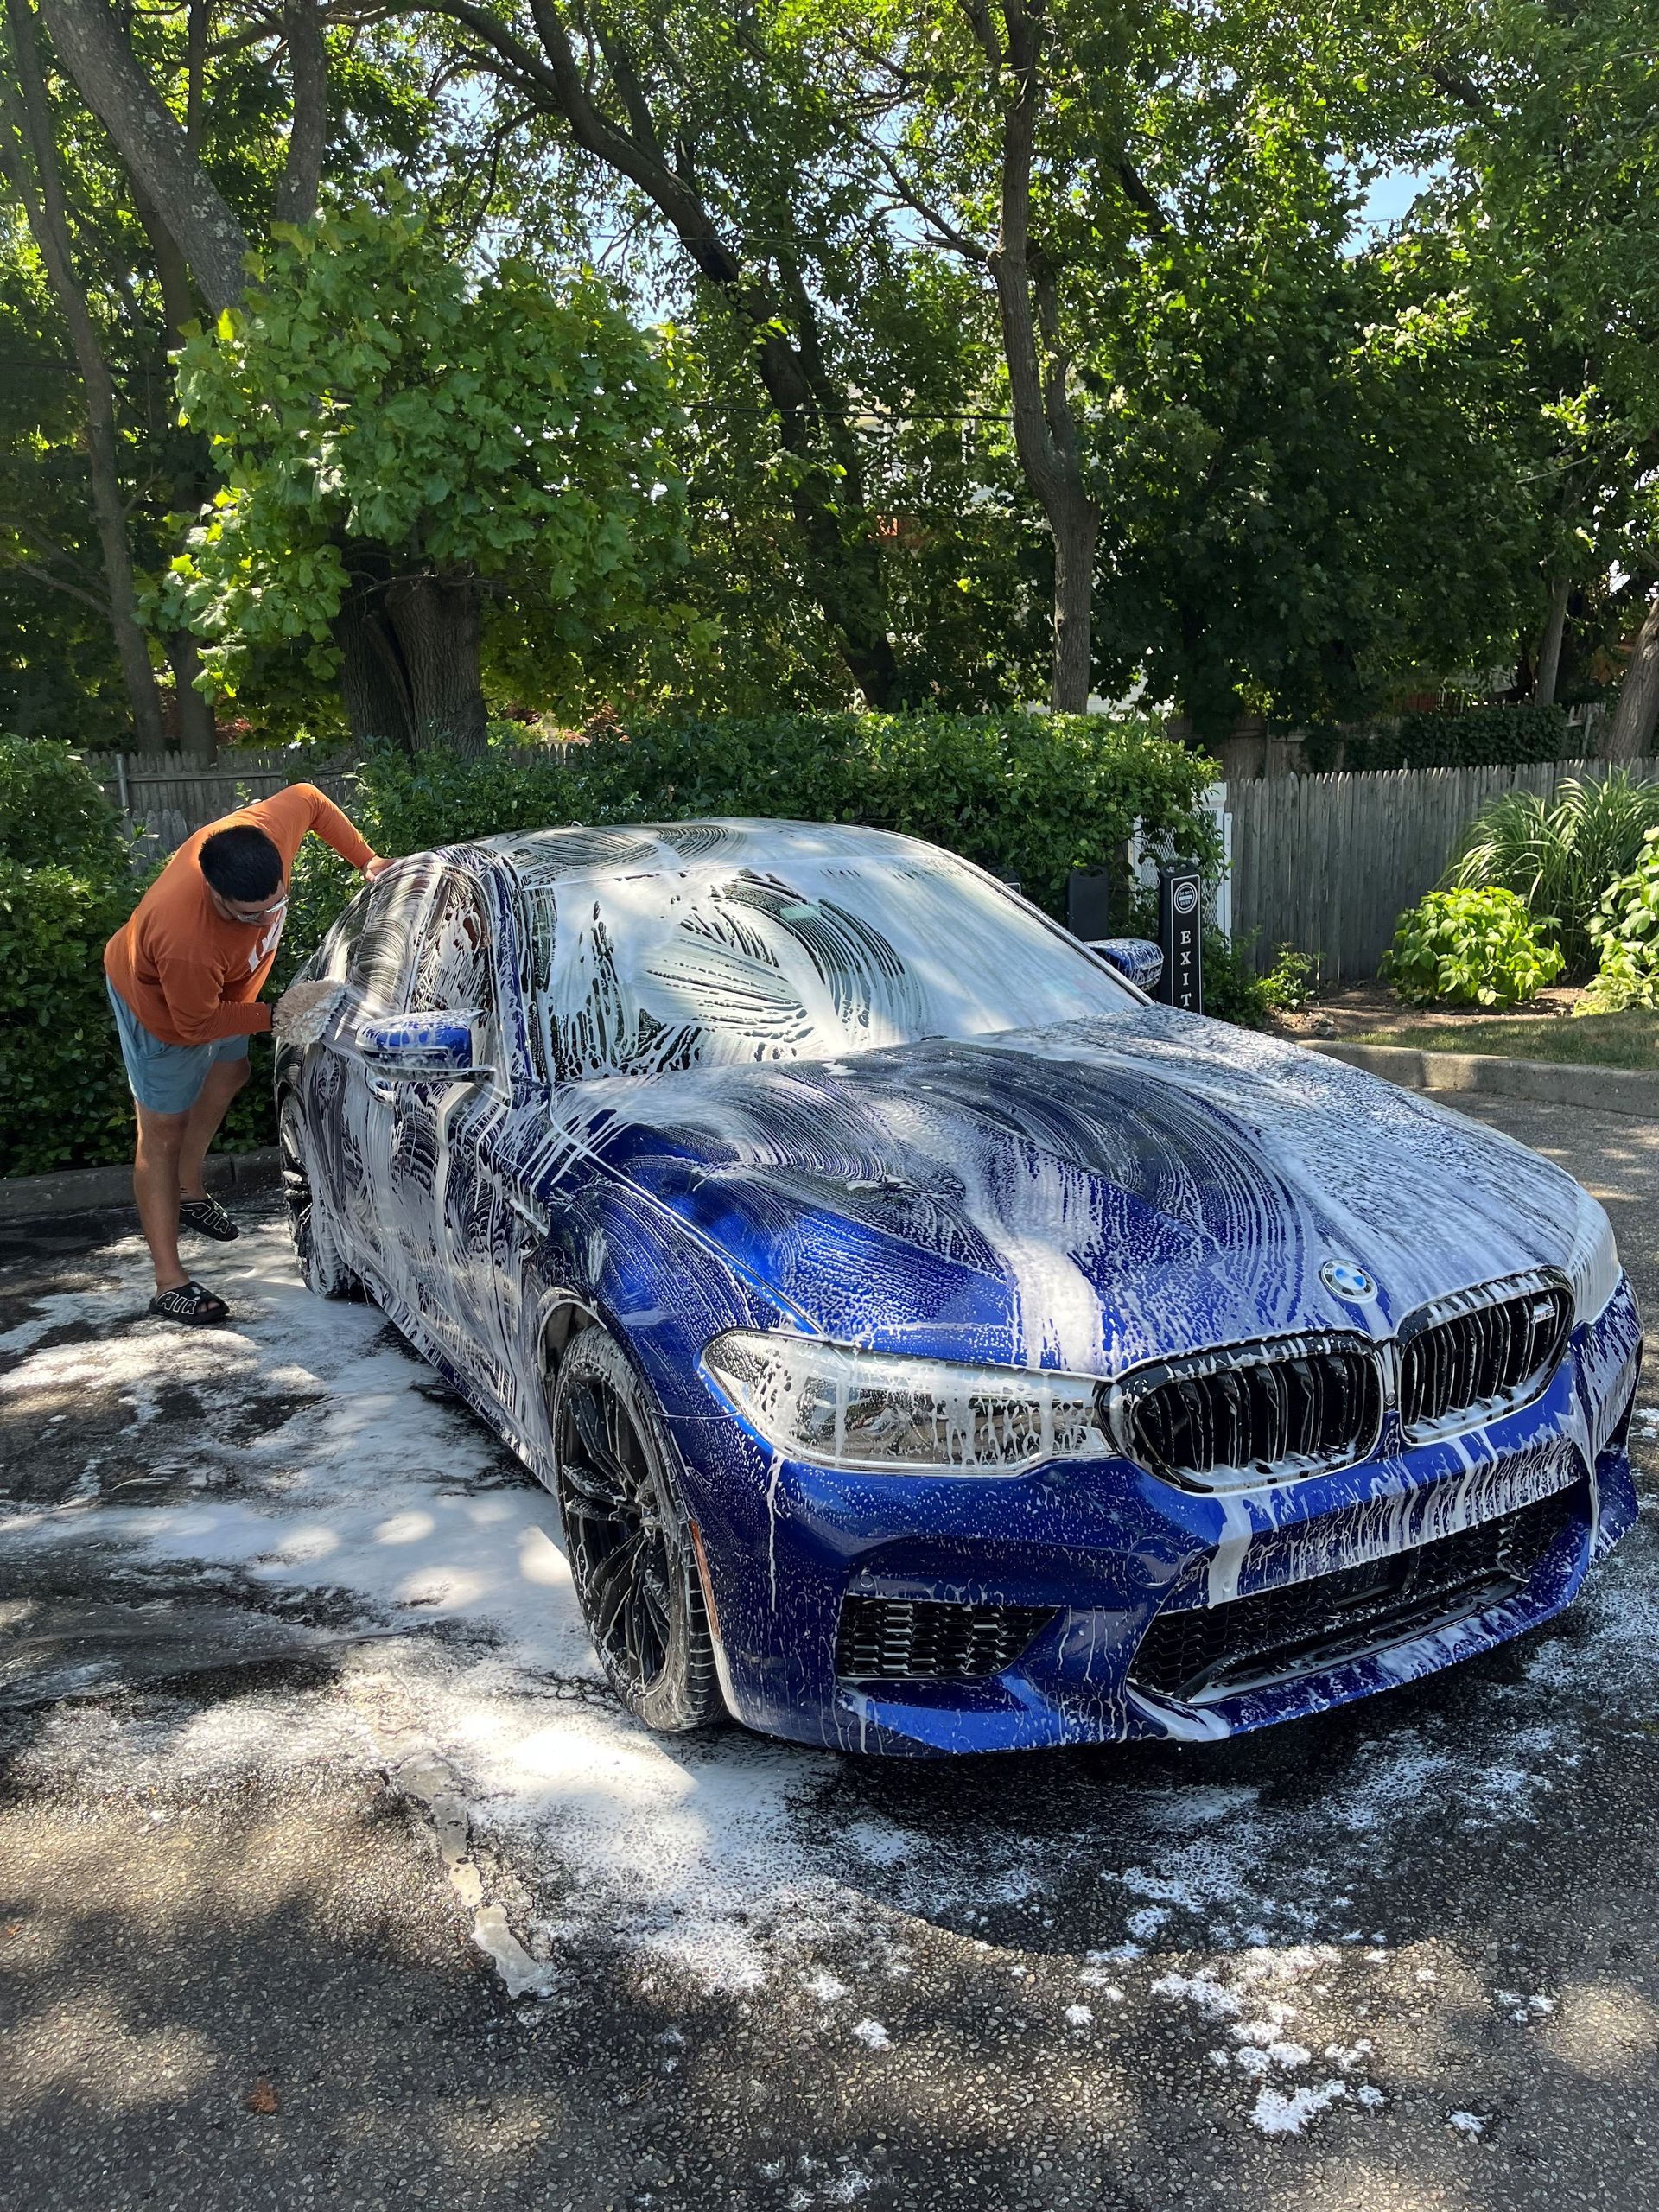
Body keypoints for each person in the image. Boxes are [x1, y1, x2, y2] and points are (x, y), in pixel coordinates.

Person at [104, 783, 391, 1325]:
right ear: (213, 893)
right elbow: (196, 1023)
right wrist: (280, 1013)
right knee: (161, 1131)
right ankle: (169, 1282)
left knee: (232, 1070)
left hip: (228, 996)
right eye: (248, 915)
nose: (265, 923)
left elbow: (309, 798)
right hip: (164, 1014)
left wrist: (367, 859)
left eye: (274, 906)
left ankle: (189, 1190)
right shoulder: (185, 938)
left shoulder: (266, 835)